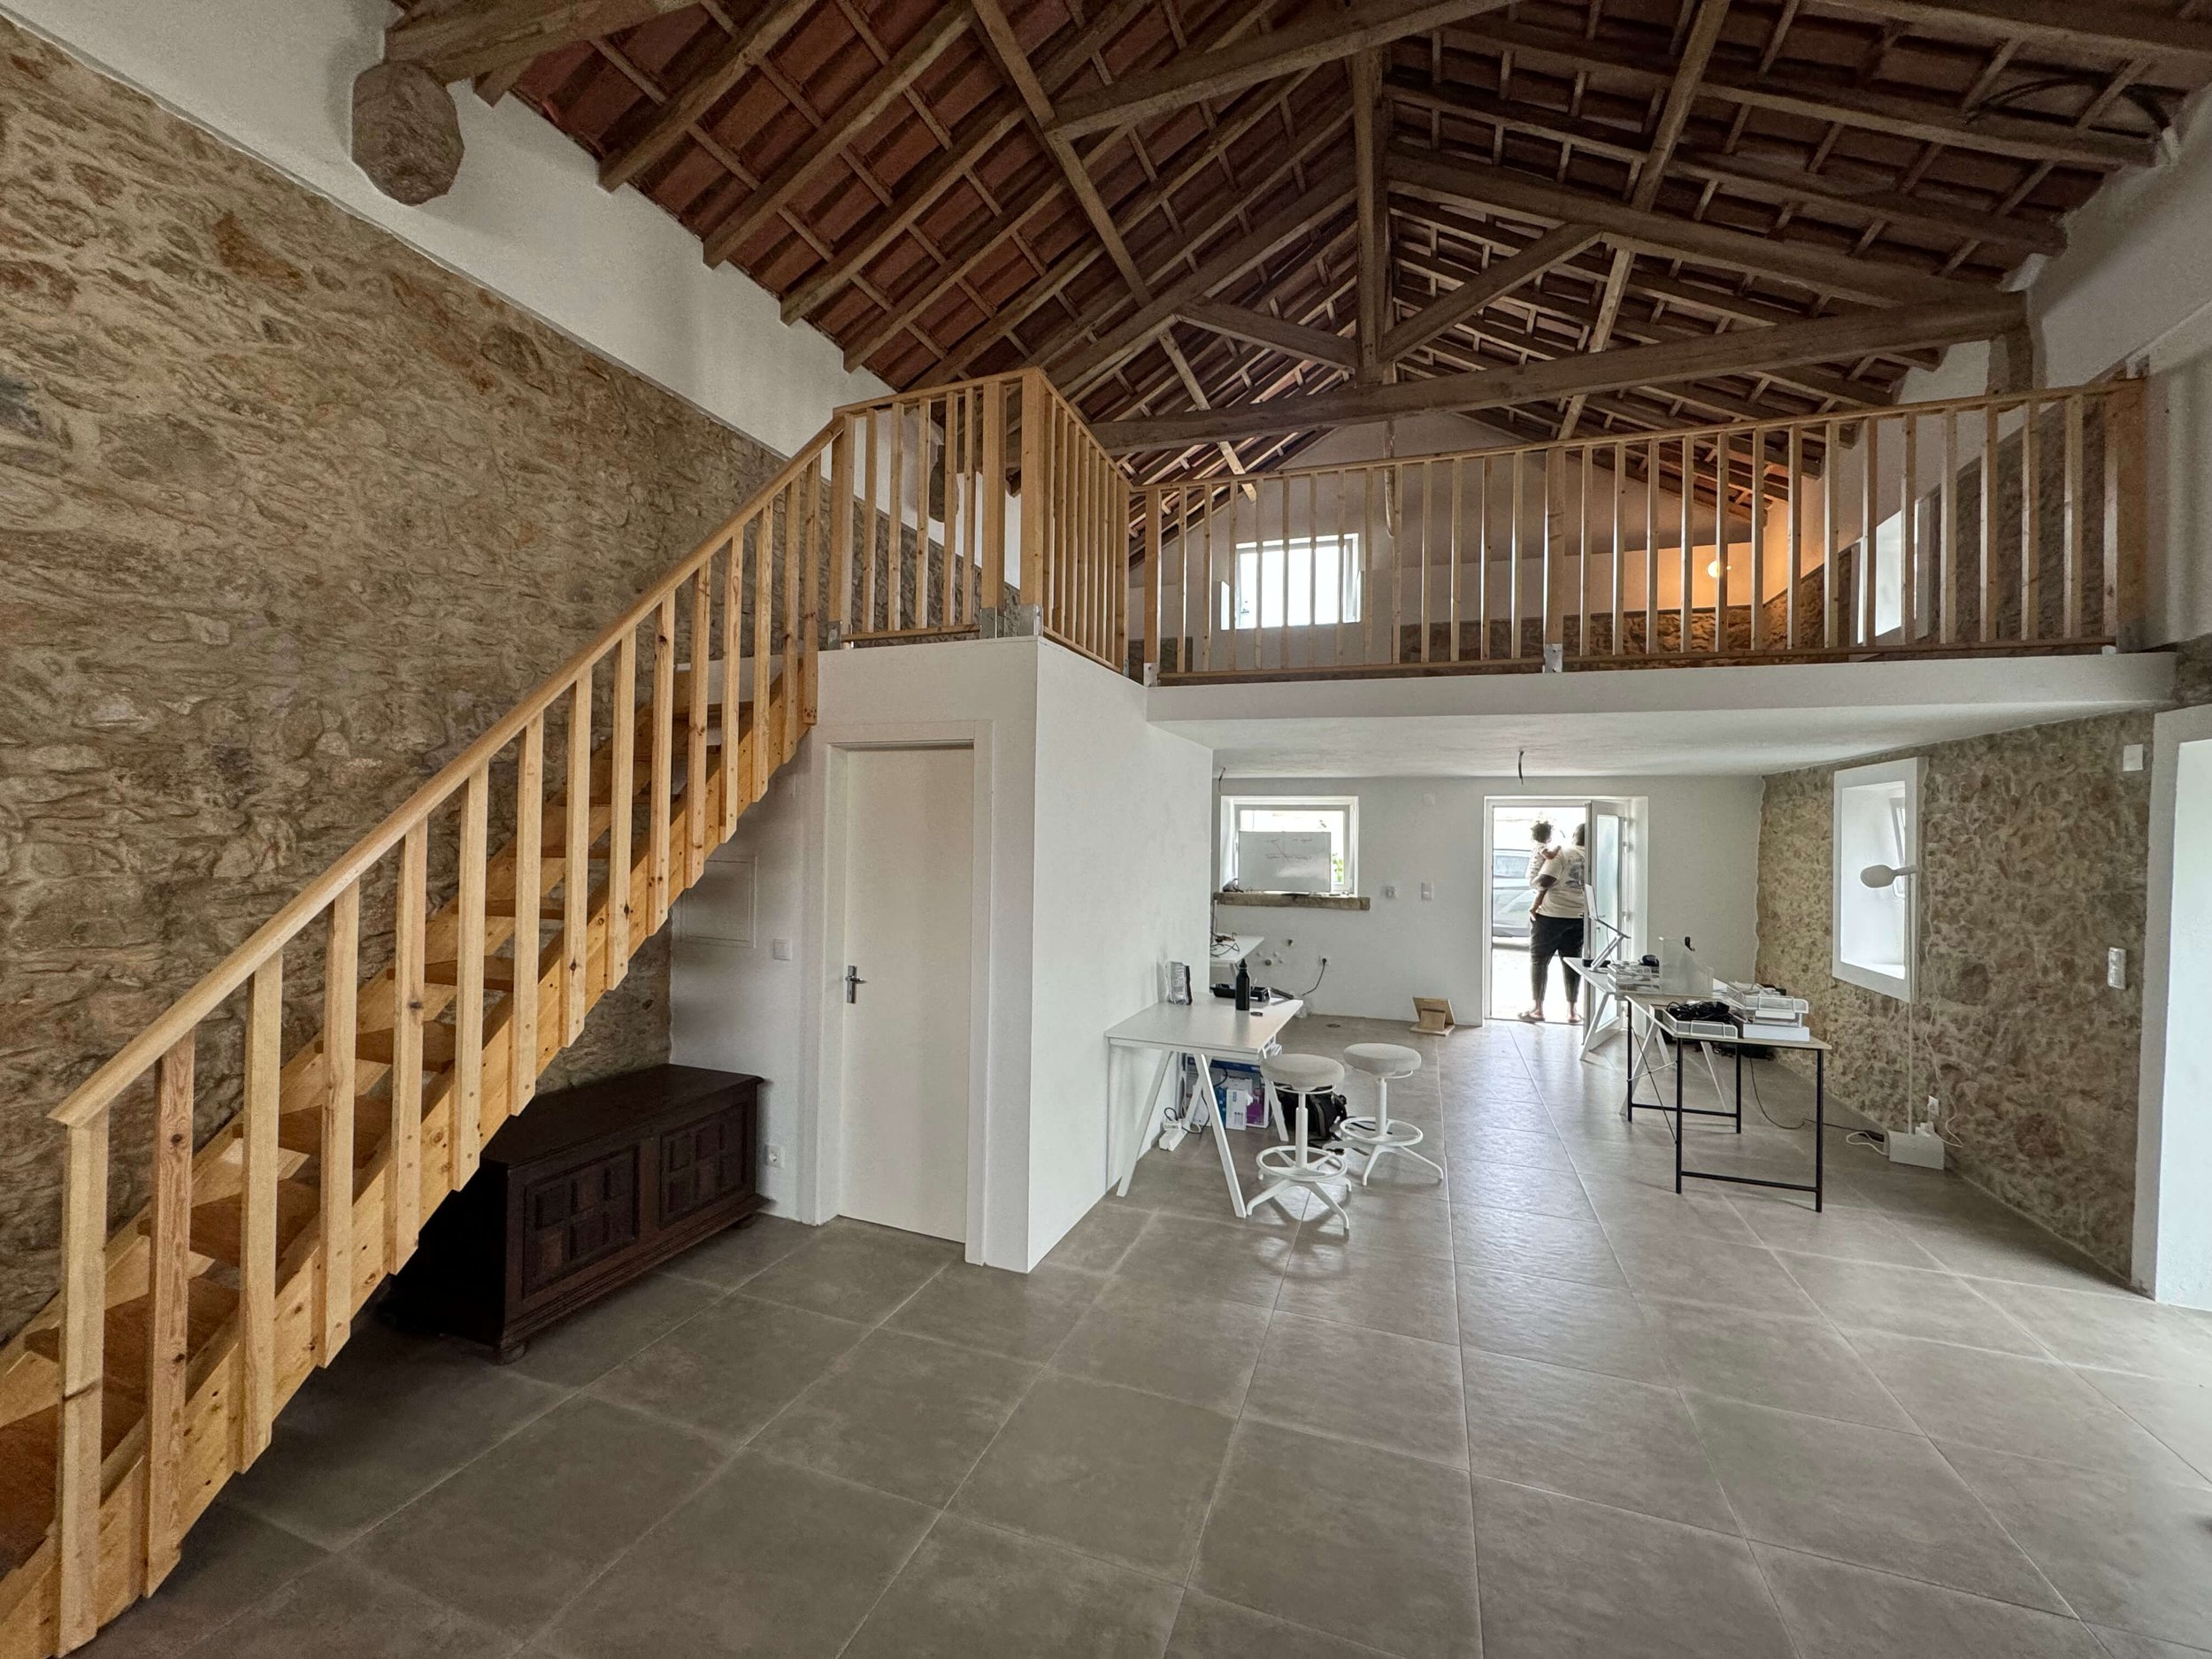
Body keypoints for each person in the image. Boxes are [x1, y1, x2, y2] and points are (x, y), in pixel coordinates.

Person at [1521, 822, 1588, 1023]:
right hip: (1579, 917)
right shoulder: (1595, 856)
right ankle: (1573, 1012)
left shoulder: (1564, 853)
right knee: (1572, 963)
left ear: (1575, 835)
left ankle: (1537, 1009)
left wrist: (1533, 883)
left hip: (1551, 917)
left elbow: (1545, 881)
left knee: (1539, 960)